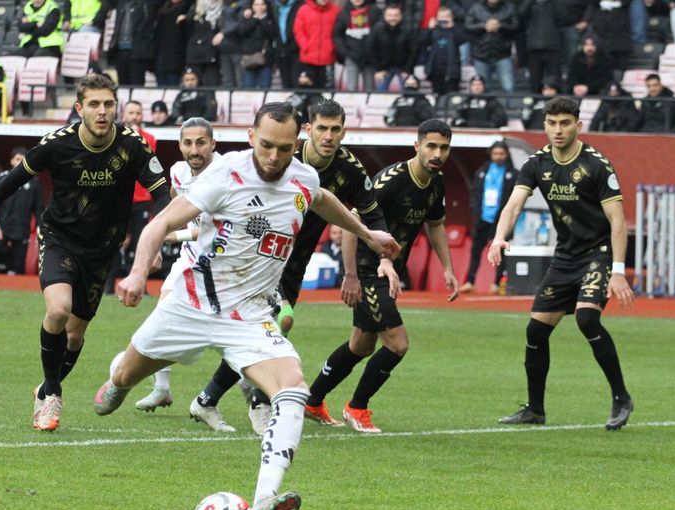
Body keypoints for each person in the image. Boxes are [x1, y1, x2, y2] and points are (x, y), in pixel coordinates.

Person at [93, 102, 400, 510]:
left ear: (296, 143)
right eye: (266, 146)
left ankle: (262, 503)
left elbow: (322, 199)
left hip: (251, 315)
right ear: (251, 136)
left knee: (293, 389)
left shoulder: (303, 176)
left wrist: (368, 234)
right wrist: (140, 272)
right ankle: (118, 381)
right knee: (122, 380)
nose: (274, 157)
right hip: (191, 304)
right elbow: (160, 222)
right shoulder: (226, 174)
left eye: (284, 149)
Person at [0, 74, 170, 432]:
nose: (102, 111)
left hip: (101, 250)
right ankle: (52, 395)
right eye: (94, 104)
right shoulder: (58, 143)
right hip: (60, 239)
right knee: (58, 309)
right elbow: (16, 177)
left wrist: (156, 242)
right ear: (79, 108)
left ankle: (45, 387)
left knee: (74, 337)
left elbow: (162, 194)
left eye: (108, 104)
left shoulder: (132, 145)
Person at [193, 99, 389, 434]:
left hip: (294, 263)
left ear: (344, 132)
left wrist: (383, 257)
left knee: (263, 329)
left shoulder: (350, 171)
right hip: (258, 257)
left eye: (335, 129)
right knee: (275, 324)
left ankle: (208, 399)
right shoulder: (283, 157)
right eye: (322, 128)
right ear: (308, 130)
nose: (328, 136)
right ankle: (259, 403)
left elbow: (372, 215)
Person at [487, 96, 635, 430]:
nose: (558, 130)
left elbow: (617, 221)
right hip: (566, 255)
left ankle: (621, 398)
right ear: (545, 125)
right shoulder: (537, 163)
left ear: (578, 126)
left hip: (598, 253)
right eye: (552, 123)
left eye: (565, 123)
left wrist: (618, 272)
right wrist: (498, 238)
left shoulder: (597, 165)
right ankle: (535, 410)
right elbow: (513, 205)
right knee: (536, 330)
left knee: (587, 318)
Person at [304, 119, 458, 432]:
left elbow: (436, 224)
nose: (437, 153)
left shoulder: (437, 182)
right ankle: (357, 407)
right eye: (431, 146)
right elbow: (351, 225)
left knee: (360, 346)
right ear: (417, 146)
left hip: (388, 272)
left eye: (443, 147)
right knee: (398, 344)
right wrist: (350, 275)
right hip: (367, 270)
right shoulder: (391, 181)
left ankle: (312, 400)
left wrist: (448, 268)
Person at [126, 117, 224, 420]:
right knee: (164, 314)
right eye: (188, 143)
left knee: (228, 333)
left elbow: (218, 230)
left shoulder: (225, 175)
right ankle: (162, 388)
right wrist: (159, 239)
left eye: (201, 143)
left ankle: (253, 397)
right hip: (190, 258)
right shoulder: (179, 172)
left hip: (223, 260)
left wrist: (175, 235)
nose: (194, 150)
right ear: (180, 145)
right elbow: (173, 208)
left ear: (213, 144)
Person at [462, 140, 516, 294]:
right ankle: (470, 281)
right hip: (483, 217)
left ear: (506, 154)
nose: (498, 156)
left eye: (501, 154)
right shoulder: (482, 171)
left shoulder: (512, 173)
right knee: (476, 250)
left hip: (501, 219)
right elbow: (474, 193)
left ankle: (497, 283)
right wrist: (475, 211)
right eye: (495, 153)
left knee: (500, 251)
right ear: (490, 154)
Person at [118, 102, 158, 285]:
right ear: (124, 115)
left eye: (138, 113)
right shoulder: (115, 136)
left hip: (141, 199)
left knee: (141, 243)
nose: (134, 116)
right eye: (131, 112)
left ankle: (140, 282)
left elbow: (143, 162)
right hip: (119, 198)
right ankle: (108, 284)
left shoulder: (150, 138)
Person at [0, 147, 43, 275]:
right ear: (12, 161)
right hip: (2, 229)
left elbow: (38, 209)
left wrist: (40, 230)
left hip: (21, 230)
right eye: (17, 159)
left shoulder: (34, 183)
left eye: (23, 160)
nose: (19, 163)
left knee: (18, 267)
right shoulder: (1, 178)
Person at [466, 0, 519, 94]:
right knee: (483, 91)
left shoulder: (509, 8)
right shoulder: (476, 8)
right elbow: (467, 26)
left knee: (509, 88)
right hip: (481, 54)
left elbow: (516, 26)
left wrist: (500, 26)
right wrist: (484, 26)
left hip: (503, 54)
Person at [334, 0, 381, 91]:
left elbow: (380, 32)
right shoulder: (343, 13)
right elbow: (337, 35)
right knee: (351, 89)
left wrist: (375, 51)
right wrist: (345, 52)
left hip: (370, 57)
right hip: (351, 56)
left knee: (370, 89)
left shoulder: (375, 11)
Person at [233, 0, 279, 89]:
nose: (259, 7)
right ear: (252, 6)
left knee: (265, 88)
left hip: (265, 58)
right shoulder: (247, 17)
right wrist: (255, 19)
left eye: (262, 4)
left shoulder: (270, 18)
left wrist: (263, 19)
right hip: (249, 59)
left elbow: (273, 34)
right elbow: (241, 31)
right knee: (249, 88)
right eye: (256, 5)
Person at [370, 5, 417, 91]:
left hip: (404, 68)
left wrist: (407, 70)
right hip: (383, 68)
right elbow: (371, 49)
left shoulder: (409, 29)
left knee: (409, 93)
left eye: (396, 15)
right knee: (379, 93)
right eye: (390, 15)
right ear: (385, 16)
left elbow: (414, 51)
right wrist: (378, 69)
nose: (392, 18)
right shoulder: (377, 29)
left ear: (401, 16)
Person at [294, 0, 339, 88]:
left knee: (327, 91)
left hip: (328, 59)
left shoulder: (336, 11)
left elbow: (339, 32)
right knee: (308, 90)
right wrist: (306, 46)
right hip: (308, 59)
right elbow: (298, 31)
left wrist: (332, 47)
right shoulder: (303, 10)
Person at [420, 6, 464, 96]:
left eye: (446, 16)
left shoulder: (456, 30)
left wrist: (452, 27)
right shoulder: (433, 30)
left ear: (451, 17)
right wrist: (429, 28)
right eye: (441, 17)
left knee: (452, 97)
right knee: (437, 96)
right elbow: (423, 42)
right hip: (436, 70)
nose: (443, 19)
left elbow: (462, 40)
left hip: (452, 70)